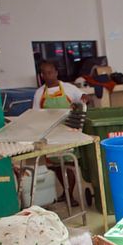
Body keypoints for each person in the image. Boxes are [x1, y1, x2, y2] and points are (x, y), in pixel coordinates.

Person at [32, 60, 89, 206]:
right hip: (50, 134)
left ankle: (70, 196)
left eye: (50, 72)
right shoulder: (39, 93)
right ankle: (66, 193)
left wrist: (81, 100)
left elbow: (84, 97)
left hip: (68, 132)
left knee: (68, 163)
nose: (47, 75)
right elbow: (36, 114)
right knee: (55, 165)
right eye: (44, 73)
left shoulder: (69, 88)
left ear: (56, 72)